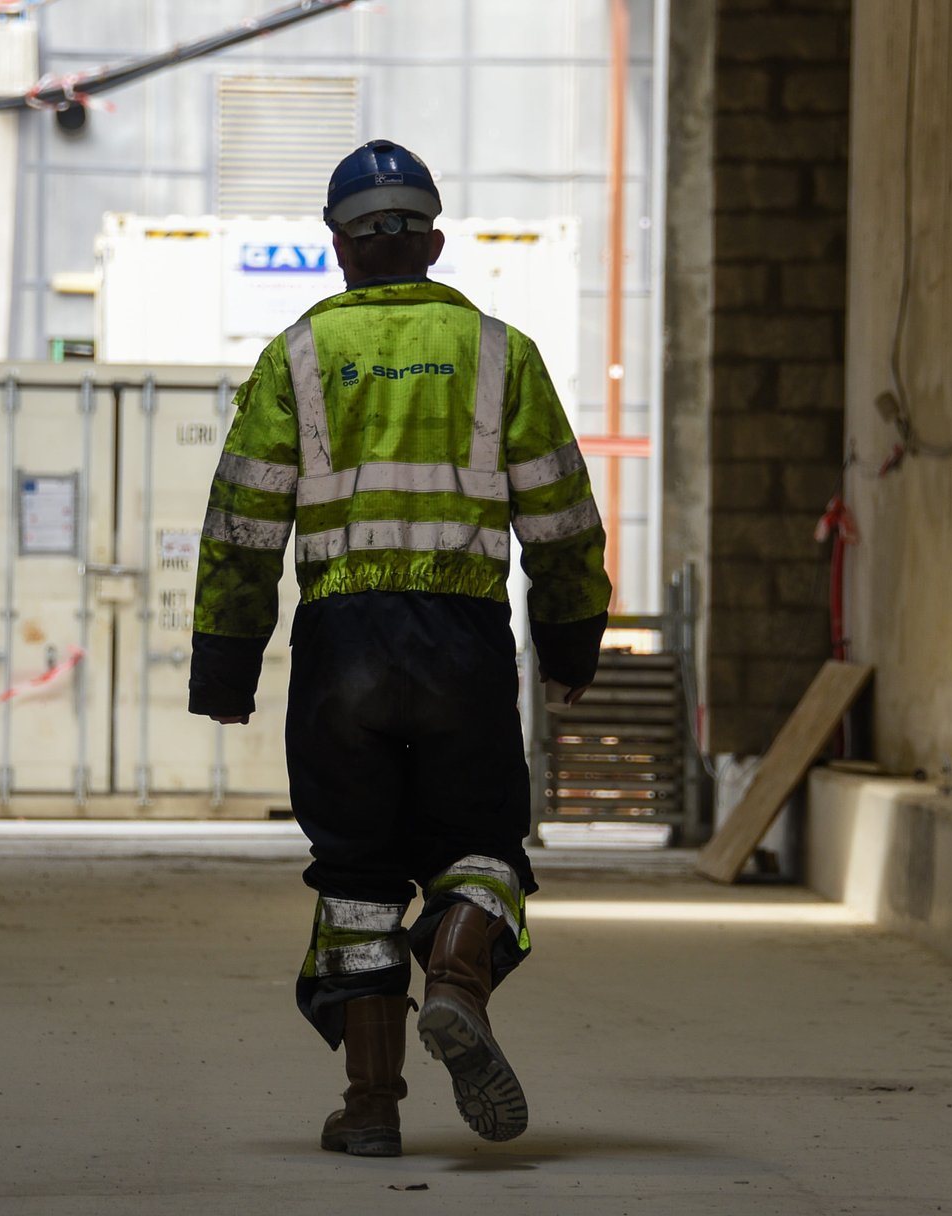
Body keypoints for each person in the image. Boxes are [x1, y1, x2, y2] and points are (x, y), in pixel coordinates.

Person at [186, 139, 611, 1157]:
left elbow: (241, 523)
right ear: (435, 239)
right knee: (485, 848)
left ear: (339, 248)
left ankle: (372, 1106)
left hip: (342, 649)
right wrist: (568, 642)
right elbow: (562, 518)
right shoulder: (503, 353)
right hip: (462, 642)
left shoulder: (295, 353)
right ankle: (458, 977)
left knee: (356, 872)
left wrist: (227, 666)